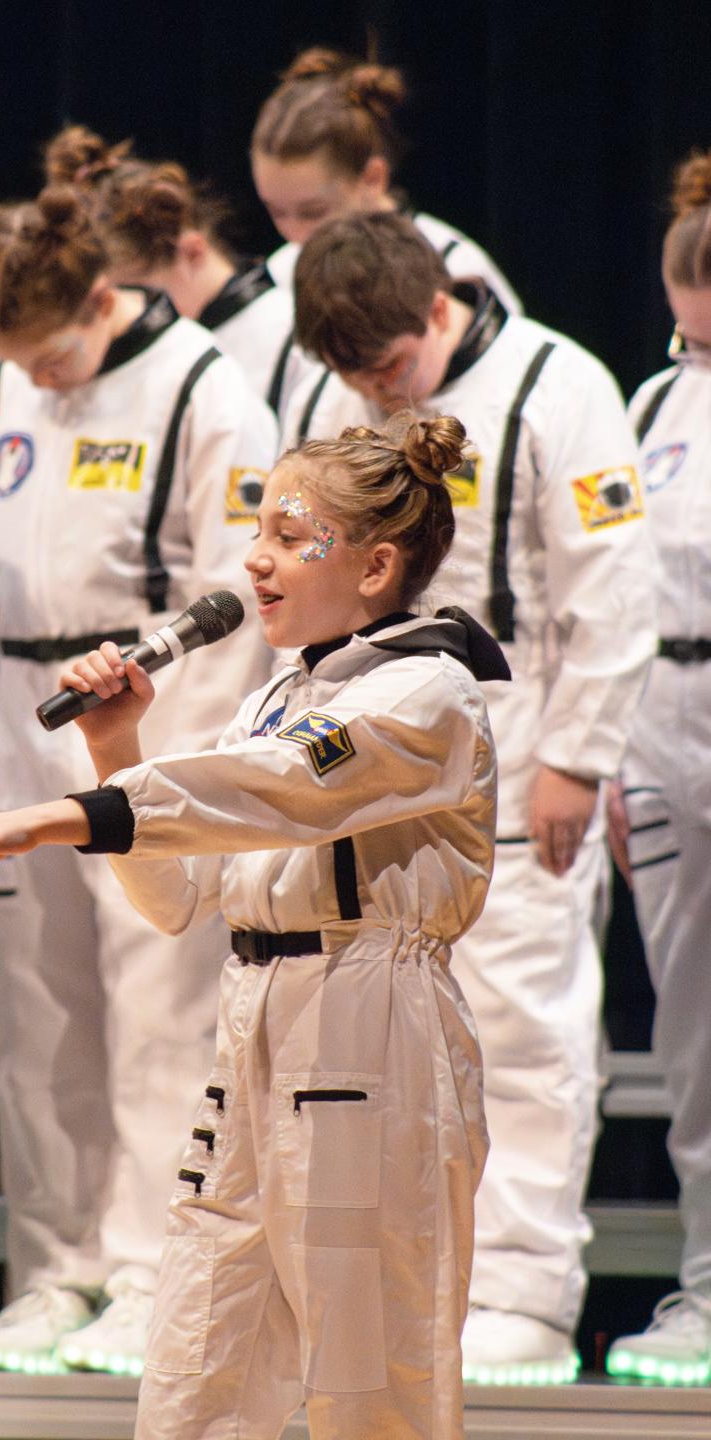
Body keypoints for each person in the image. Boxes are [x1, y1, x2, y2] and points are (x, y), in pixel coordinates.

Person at [0, 412, 507, 1440]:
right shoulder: (279, 693)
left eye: (289, 534)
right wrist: (118, 743)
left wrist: (44, 820)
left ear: (374, 565)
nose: (255, 558)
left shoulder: (426, 692)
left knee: (370, 1386)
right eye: (256, 528)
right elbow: (180, 895)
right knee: (192, 1374)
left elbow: (276, 788)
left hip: (369, 1025)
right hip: (254, 1022)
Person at [285, 209, 656, 1382]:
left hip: (518, 767)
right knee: (374, 1049)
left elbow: (612, 590)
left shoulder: (561, 385)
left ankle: (527, 1294)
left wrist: (578, 760)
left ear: (439, 306)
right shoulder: (332, 409)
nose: (372, 391)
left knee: (527, 1038)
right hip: (363, 776)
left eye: (389, 367)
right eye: (350, 375)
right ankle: (402, 1290)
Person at [0, 184, 279, 1375]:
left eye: (49, 352)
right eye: (12, 360)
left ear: (100, 297)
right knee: (37, 1010)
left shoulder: (204, 384)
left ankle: (150, 1264)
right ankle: (54, 1267)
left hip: (146, 713)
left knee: (160, 1009)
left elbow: (238, 588)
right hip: (17, 704)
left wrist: (157, 746)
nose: (34, 379)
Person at [605, 150, 711, 1386]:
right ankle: (702, 1287)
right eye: (686, 334)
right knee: (690, 1034)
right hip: (662, 717)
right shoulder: (646, 408)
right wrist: (620, 759)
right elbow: (619, 597)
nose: (696, 355)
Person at [46, 125, 314, 420]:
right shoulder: (140, 353)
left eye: (144, 294)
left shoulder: (290, 336)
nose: (131, 312)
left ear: (193, 251)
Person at [251, 47, 521, 315]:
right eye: (275, 212)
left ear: (372, 179)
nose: (293, 234)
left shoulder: (458, 271)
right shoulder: (281, 276)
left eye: (313, 212)